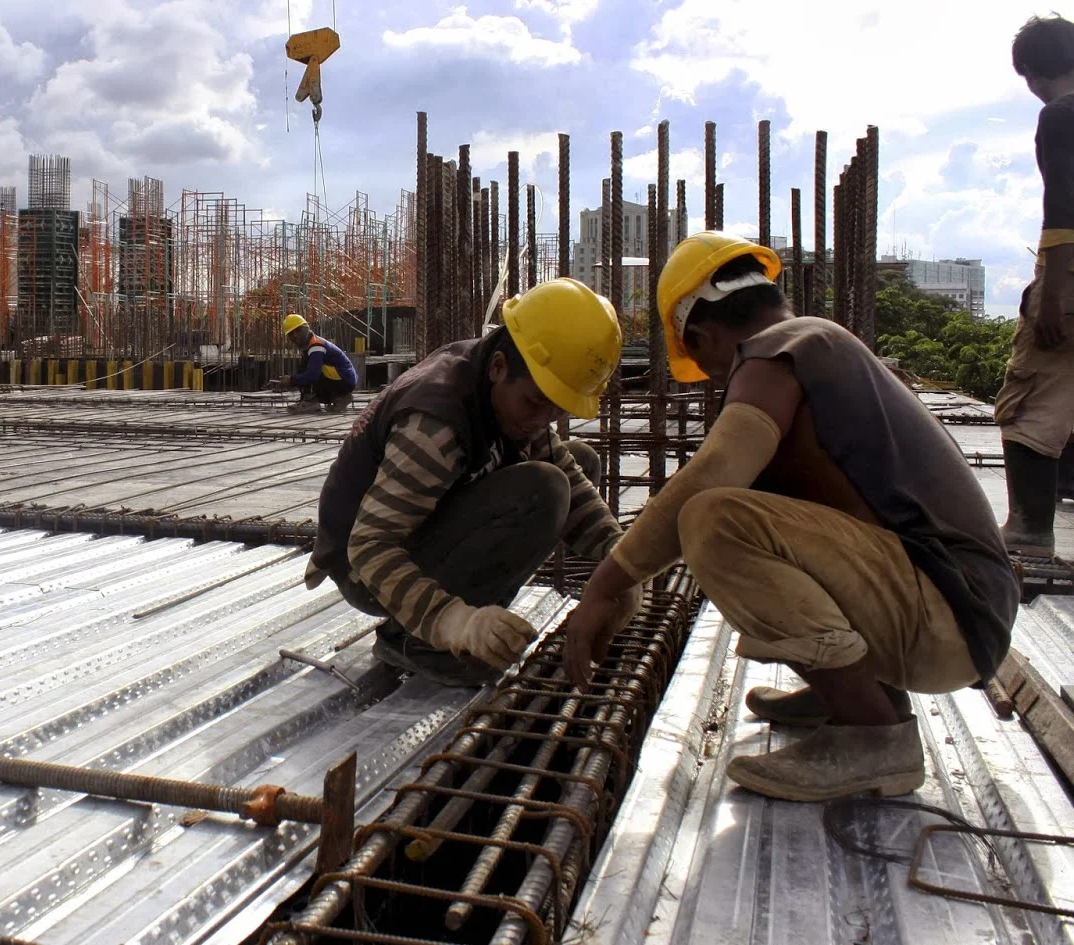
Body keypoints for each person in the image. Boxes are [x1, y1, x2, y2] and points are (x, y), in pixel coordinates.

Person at [562, 232, 1017, 802]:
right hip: (959, 611)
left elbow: (712, 477)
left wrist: (608, 584)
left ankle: (871, 733)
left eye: (701, 362)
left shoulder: (780, 350)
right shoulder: (820, 348)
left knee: (712, 520)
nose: (716, 382)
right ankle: (855, 694)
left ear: (700, 336)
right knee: (755, 512)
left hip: (946, 614)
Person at [305, 278, 640, 685]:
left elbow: (569, 472)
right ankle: (415, 640)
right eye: (536, 403)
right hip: (367, 570)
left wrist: (623, 563)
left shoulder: (501, 385)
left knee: (575, 466)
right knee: (544, 489)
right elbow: (369, 547)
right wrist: (457, 622)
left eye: (557, 409)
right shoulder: (435, 426)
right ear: (499, 368)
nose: (542, 421)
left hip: (415, 531)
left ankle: (470, 619)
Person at [999, 15, 1074, 556]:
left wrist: (1051, 298)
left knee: (1029, 400)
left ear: (1029, 72)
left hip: (1070, 272)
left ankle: (1027, 530)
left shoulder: (1060, 116)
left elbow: (1063, 207)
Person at [269, 314, 358, 413]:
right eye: (290, 334)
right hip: (343, 380)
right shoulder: (311, 346)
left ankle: (311, 402)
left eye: (298, 330)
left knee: (306, 370)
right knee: (303, 370)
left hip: (343, 381)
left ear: (306, 328)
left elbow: (312, 375)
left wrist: (291, 380)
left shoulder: (316, 346)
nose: (294, 335)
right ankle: (340, 398)